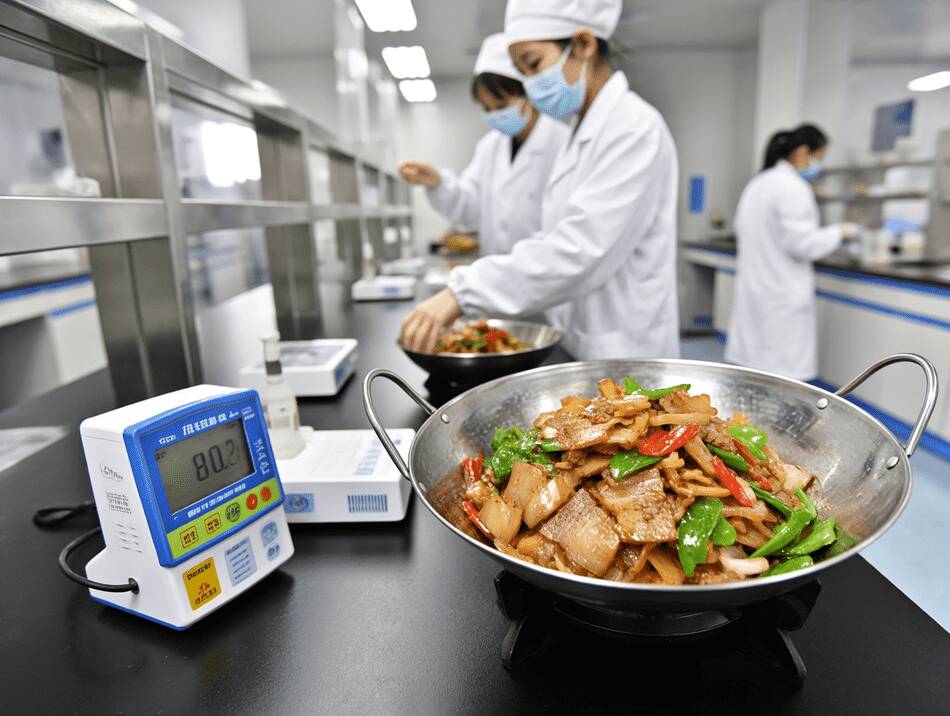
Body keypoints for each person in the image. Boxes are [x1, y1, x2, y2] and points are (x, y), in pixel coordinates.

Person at [400, 0, 680, 360]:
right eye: (523, 72)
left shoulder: (633, 129)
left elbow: (581, 249)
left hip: (625, 344)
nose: (532, 86)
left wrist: (464, 291)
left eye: (533, 65)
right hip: (580, 335)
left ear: (584, 44)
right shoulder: (583, 132)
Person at [398, 33, 568, 258]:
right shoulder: (489, 147)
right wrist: (438, 183)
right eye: (487, 109)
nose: (495, 115)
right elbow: (469, 207)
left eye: (501, 105)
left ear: (527, 93)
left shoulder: (561, 142)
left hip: (544, 271)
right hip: (495, 270)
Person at [726, 124, 859, 380]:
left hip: (757, 291)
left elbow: (740, 228)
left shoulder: (757, 183)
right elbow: (803, 244)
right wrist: (839, 233)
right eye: (818, 157)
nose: (818, 166)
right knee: (781, 377)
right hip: (781, 296)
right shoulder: (793, 187)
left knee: (753, 374)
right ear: (802, 152)